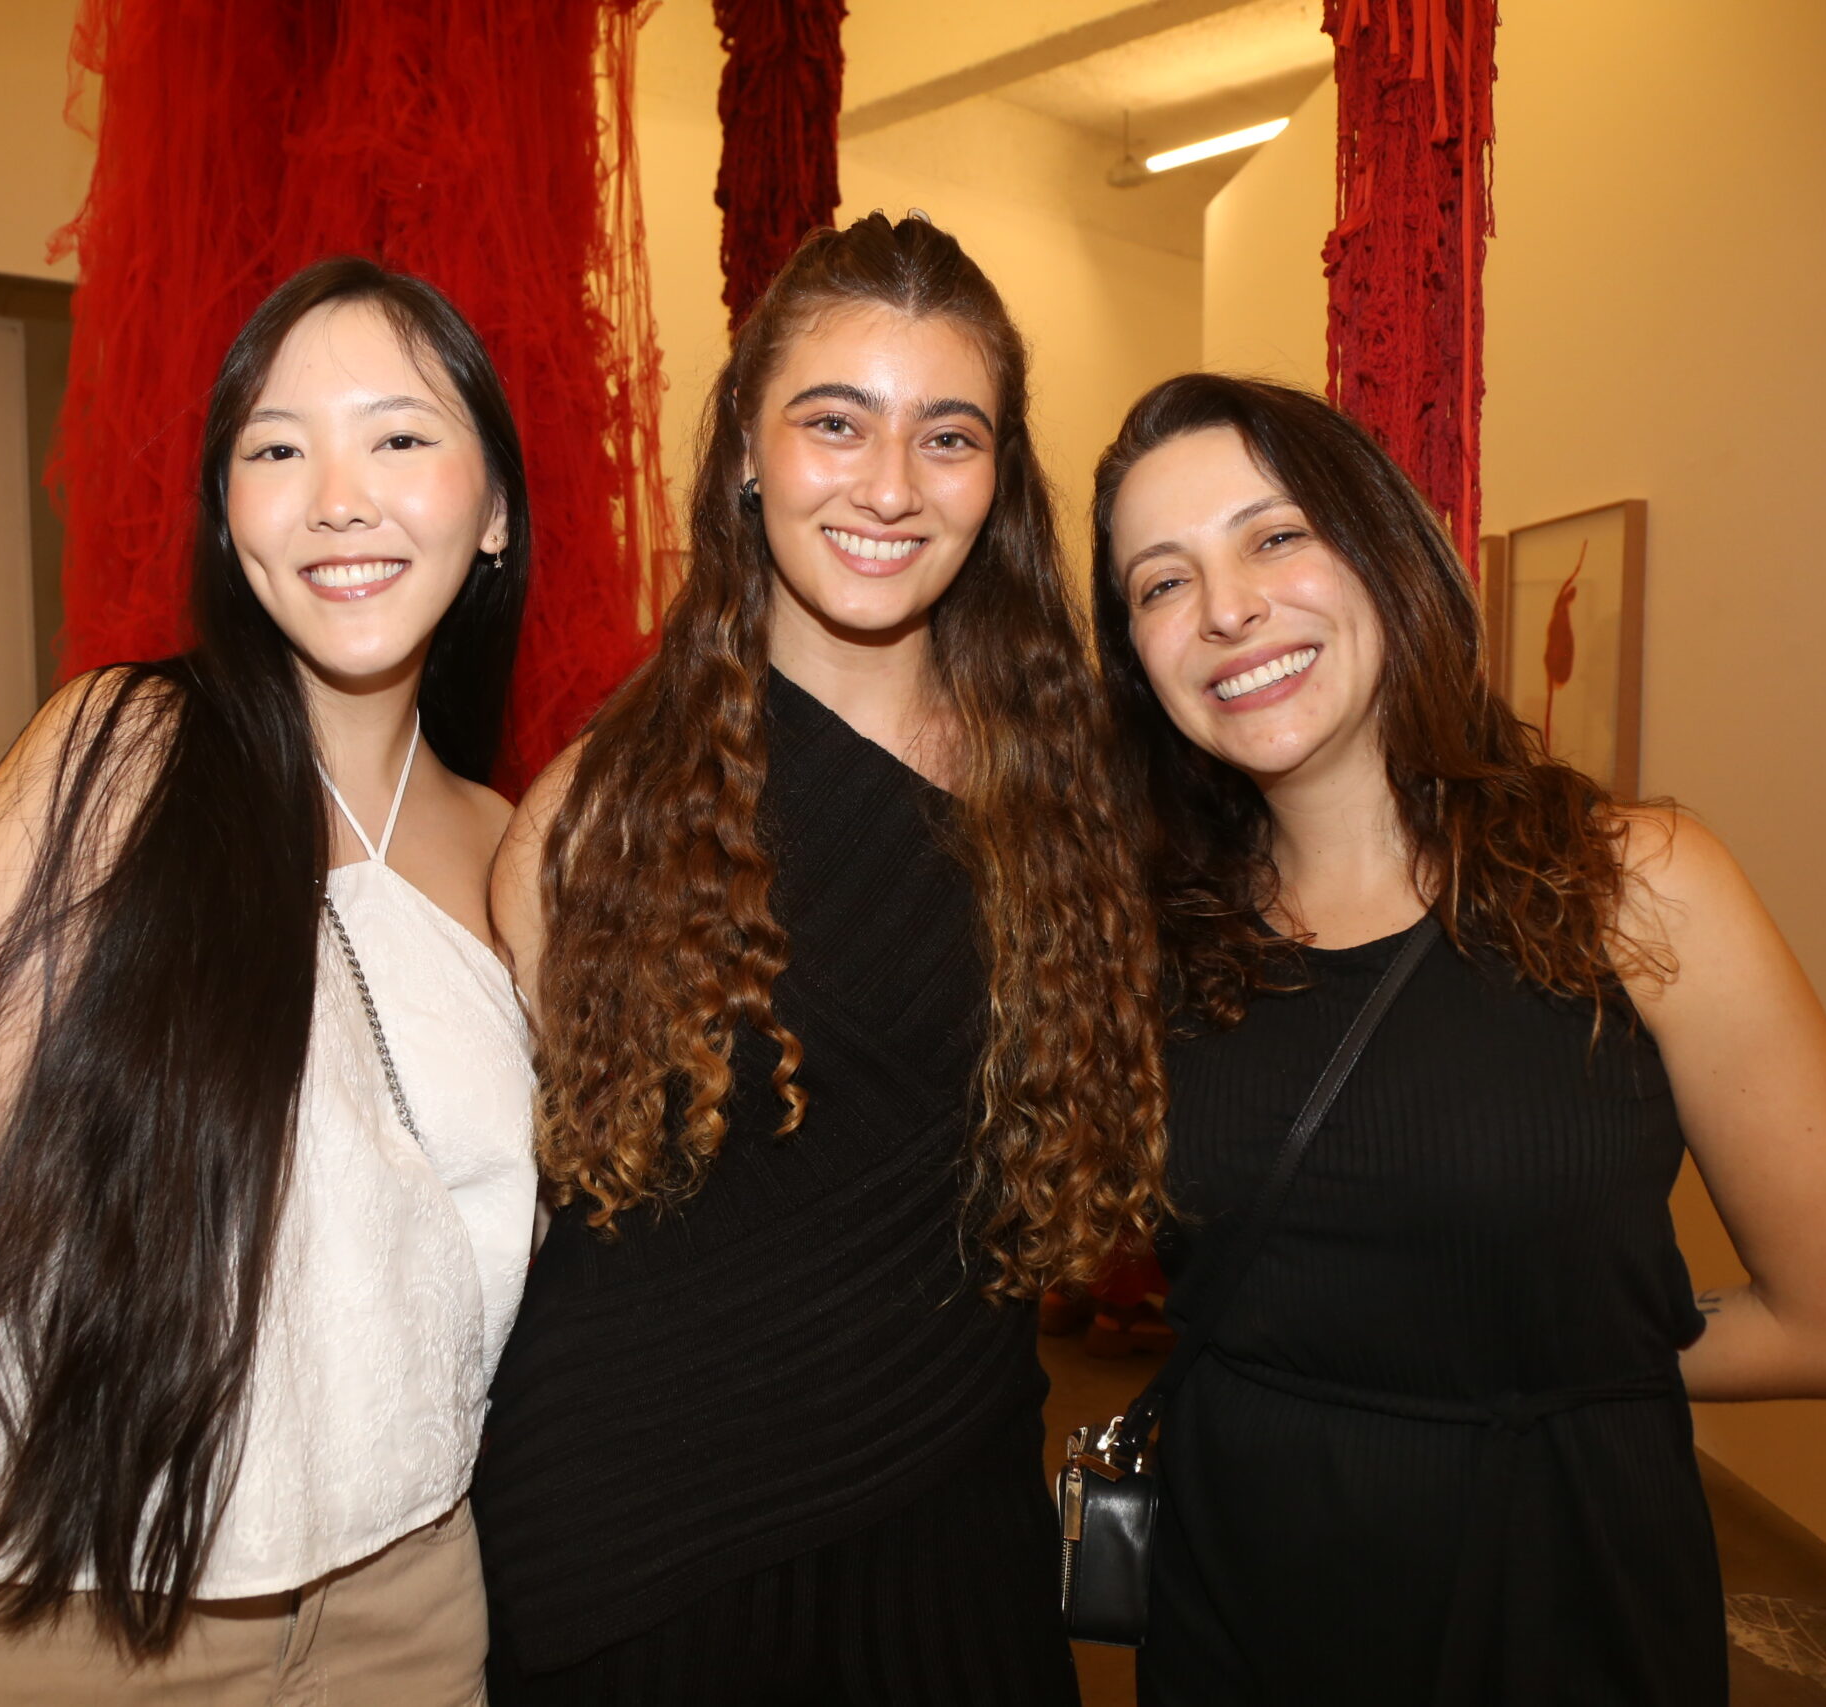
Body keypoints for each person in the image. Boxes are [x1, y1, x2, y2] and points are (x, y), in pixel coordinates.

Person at [0, 258, 538, 1707]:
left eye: (398, 436)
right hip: (71, 1613)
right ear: (229, 517)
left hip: (416, 1614)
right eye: (276, 451)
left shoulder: (516, 855)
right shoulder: (114, 761)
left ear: (494, 506)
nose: (338, 498)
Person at [1090, 373, 1826, 1705]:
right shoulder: (1148, 934)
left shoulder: (1634, 886)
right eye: (1161, 583)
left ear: (1385, 553)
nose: (1225, 608)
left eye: (1275, 535)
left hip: (1547, 1583)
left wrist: (1532, 1361)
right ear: (1136, 655)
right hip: (1237, 1591)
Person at [472, 212, 1169, 1706]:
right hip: (643, 1547)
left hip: (953, 1520)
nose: (890, 486)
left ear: (999, 477)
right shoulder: (604, 809)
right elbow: (509, 1206)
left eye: (948, 436)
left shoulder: (1070, 791)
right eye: (836, 422)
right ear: (747, 446)